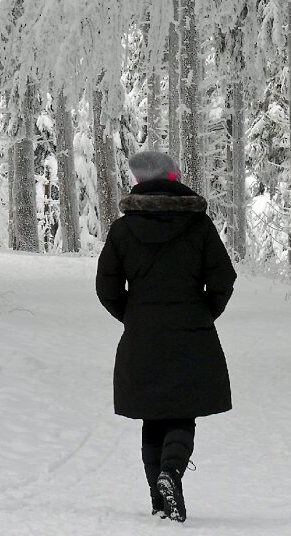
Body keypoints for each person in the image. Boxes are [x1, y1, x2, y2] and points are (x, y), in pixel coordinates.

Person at [95, 151, 237, 523]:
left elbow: (106, 286)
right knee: (181, 412)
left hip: (142, 335)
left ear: (140, 182)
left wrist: (132, 315)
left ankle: (158, 500)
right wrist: (205, 311)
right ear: (174, 177)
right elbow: (224, 278)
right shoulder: (198, 224)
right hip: (191, 332)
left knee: (151, 416)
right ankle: (170, 473)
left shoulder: (123, 229)